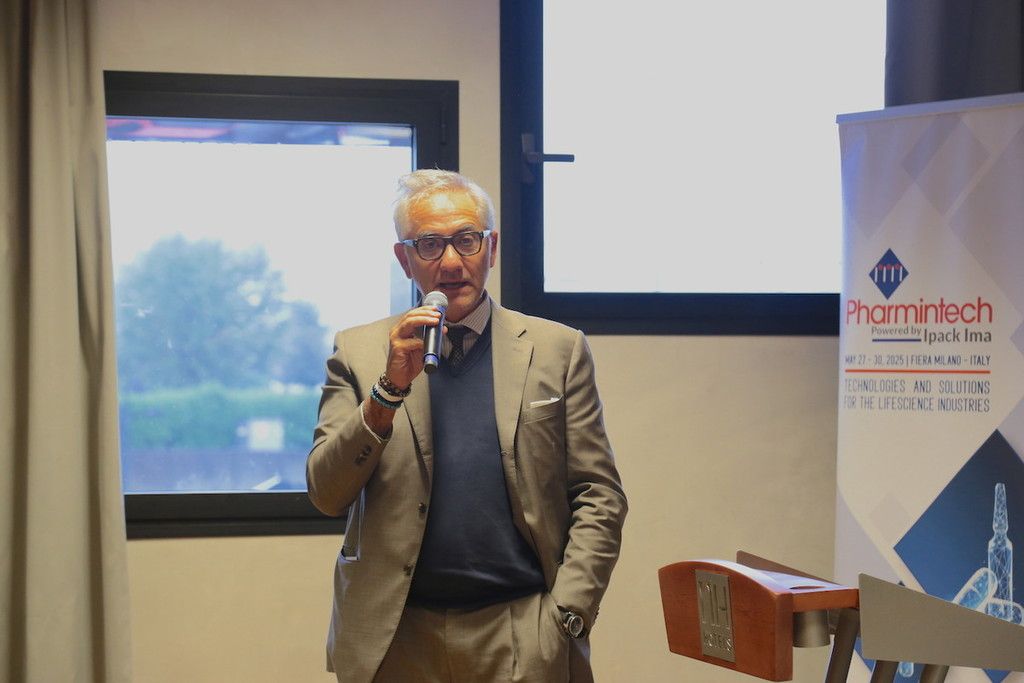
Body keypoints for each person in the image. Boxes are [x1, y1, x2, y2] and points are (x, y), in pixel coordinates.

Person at [306, 169, 627, 682]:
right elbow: (327, 493)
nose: (451, 263)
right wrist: (387, 392)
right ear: (405, 259)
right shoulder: (359, 351)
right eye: (430, 244)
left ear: (491, 249)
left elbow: (599, 494)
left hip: (521, 629)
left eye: (467, 240)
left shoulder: (557, 350)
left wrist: (568, 613)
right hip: (395, 635)